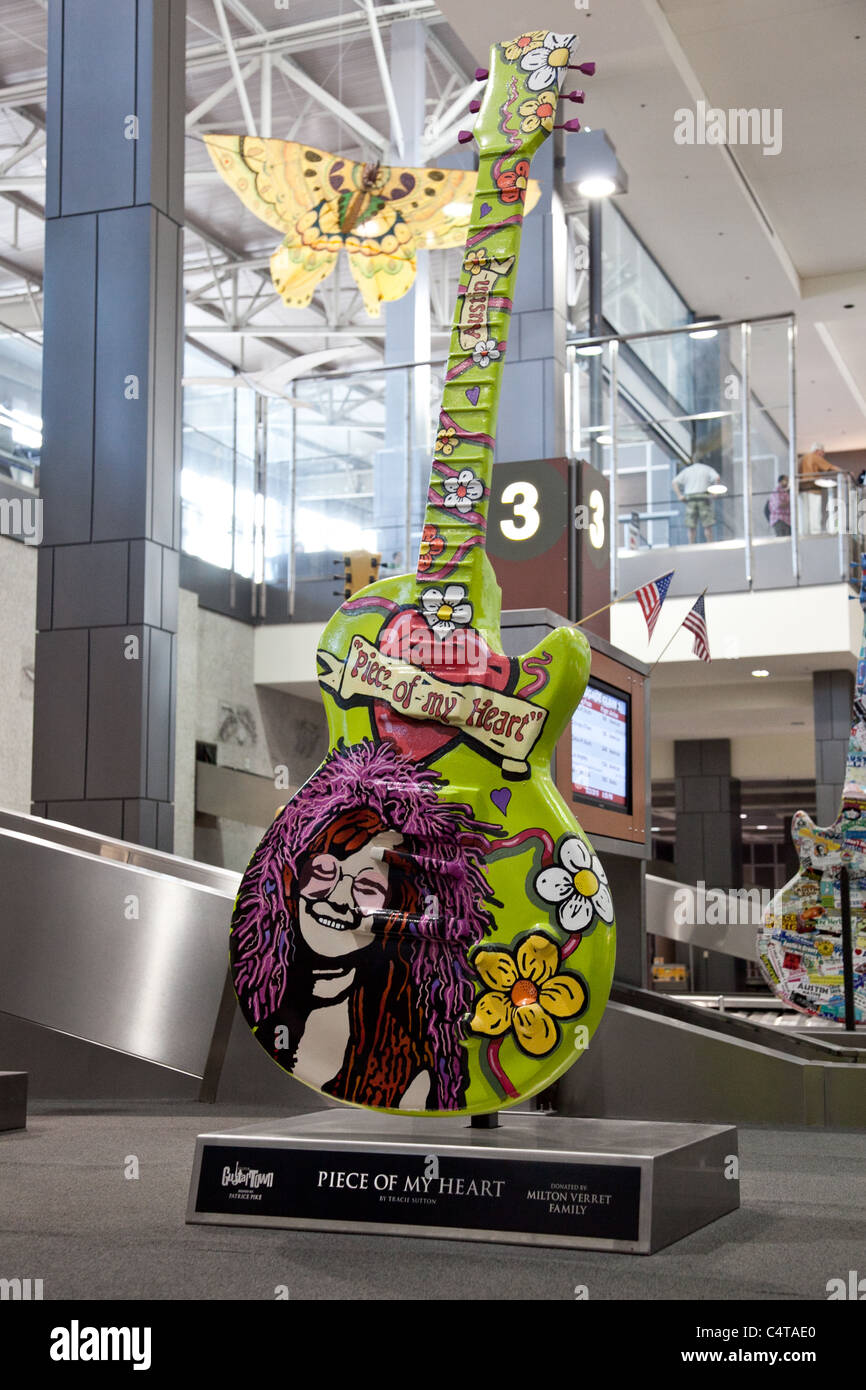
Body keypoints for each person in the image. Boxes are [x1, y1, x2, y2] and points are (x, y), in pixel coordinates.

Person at [230, 737, 497, 1112]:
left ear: (401, 903)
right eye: (324, 870)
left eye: (368, 885)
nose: (339, 897)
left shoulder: (414, 1065)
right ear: (291, 874)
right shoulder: (268, 997)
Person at [672, 458, 721, 543]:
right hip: (703, 497)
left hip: (691, 499)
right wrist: (715, 492)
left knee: (691, 526)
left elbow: (674, 482)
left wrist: (680, 495)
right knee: (707, 525)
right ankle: (709, 543)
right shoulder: (707, 468)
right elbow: (717, 477)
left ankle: (691, 544)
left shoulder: (687, 470)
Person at [798, 442, 839, 534]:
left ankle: (804, 533)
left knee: (804, 514)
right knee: (814, 512)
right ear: (817, 451)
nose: (823, 455)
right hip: (813, 489)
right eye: (822, 452)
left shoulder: (802, 458)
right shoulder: (814, 457)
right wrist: (844, 472)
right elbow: (830, 466)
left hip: (802, 489)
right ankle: (815, 532)